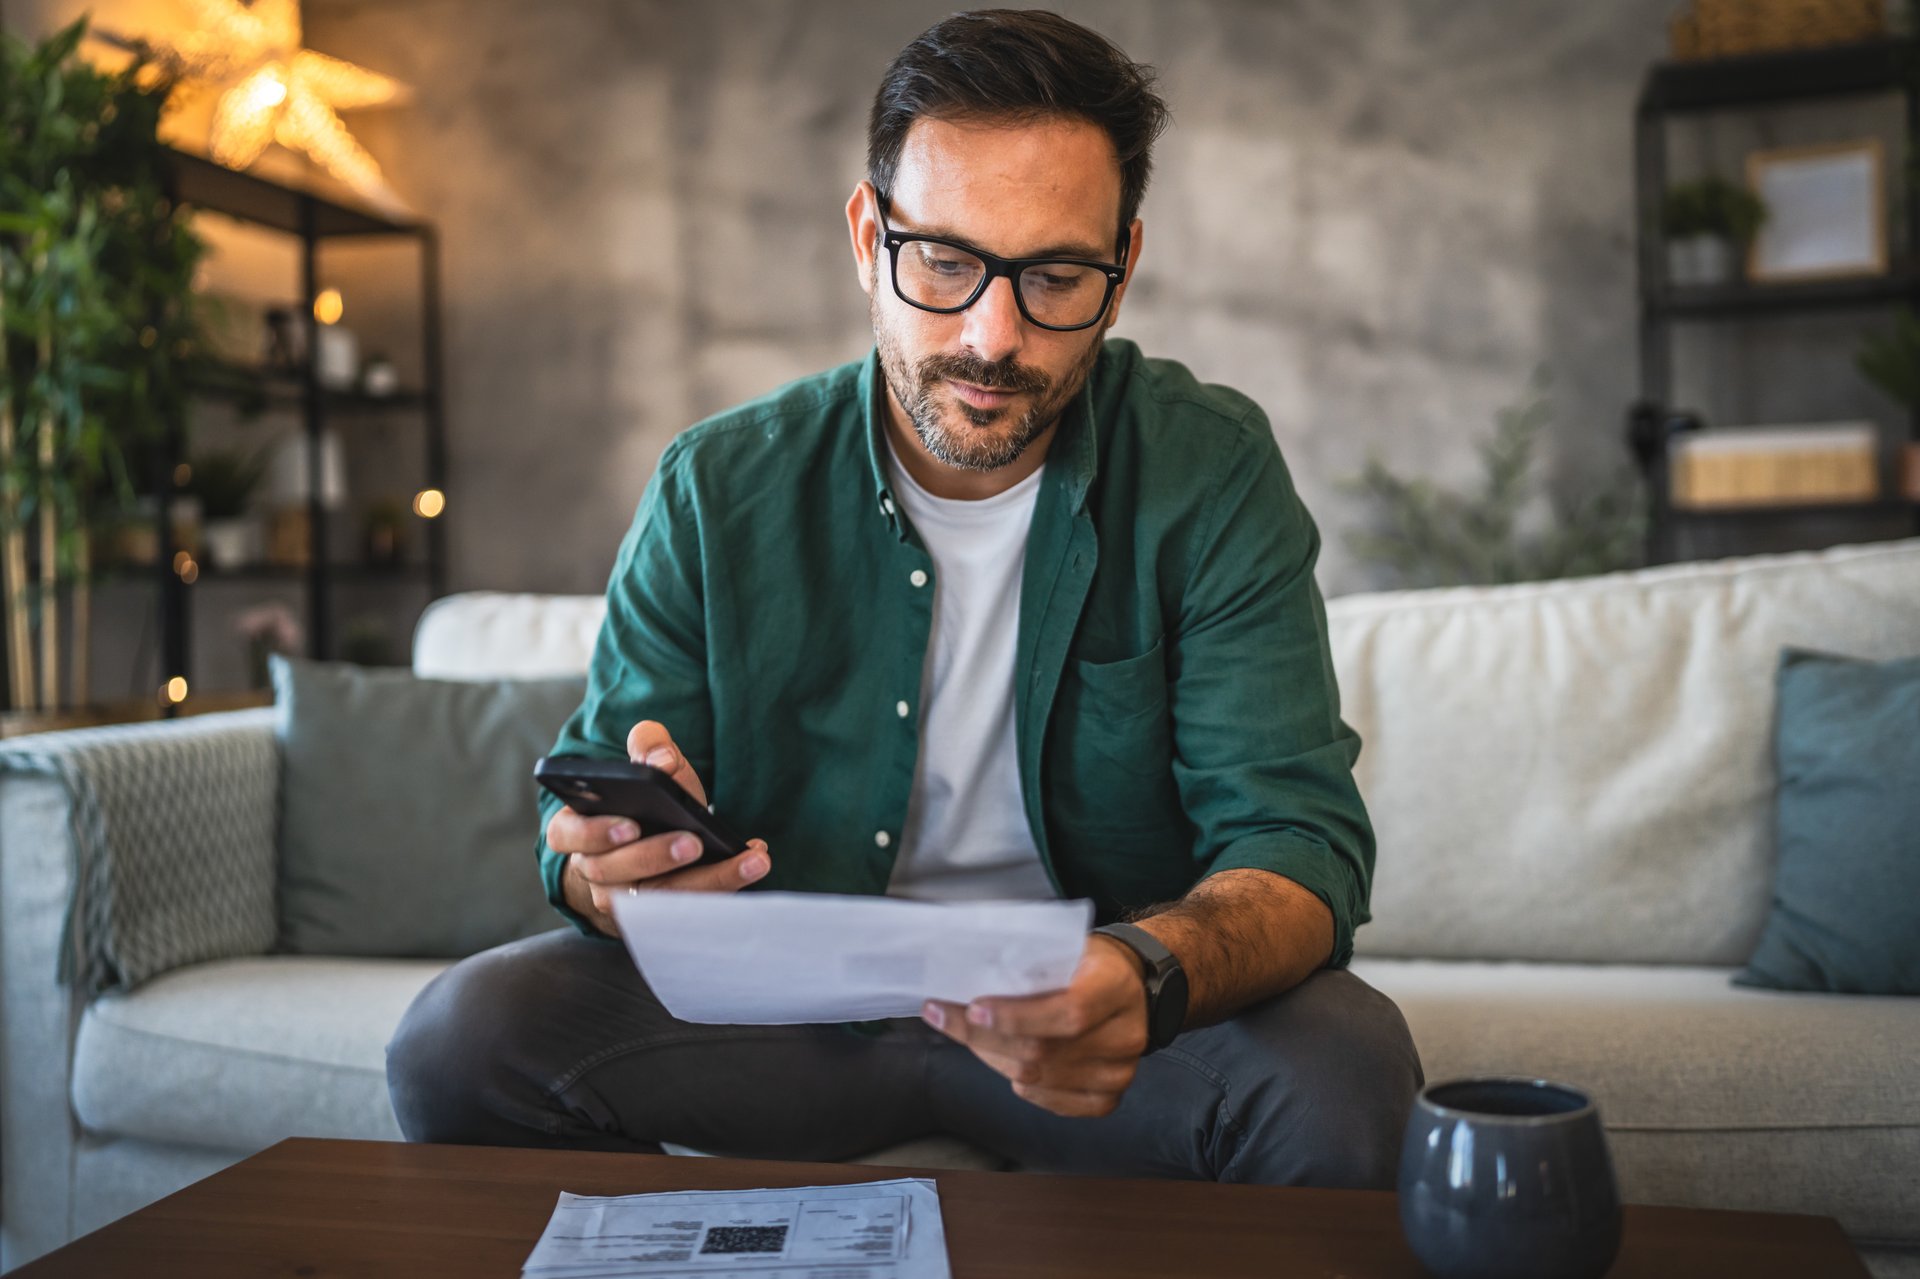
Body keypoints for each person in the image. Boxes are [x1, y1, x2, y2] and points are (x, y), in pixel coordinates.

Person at [388, 8, 1422, 1186]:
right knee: (461, 1040)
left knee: (1345, 1070)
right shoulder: (716, 486)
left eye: (1056, 275)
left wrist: (1145, 971)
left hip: (1087, 1024)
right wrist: (604, 873)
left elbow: (1298, 842)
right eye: (943, 260)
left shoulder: (1211, 469)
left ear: (1123, 268)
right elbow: (582, 824)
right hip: (786, 1023)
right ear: (867, 234)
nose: (993, 335)